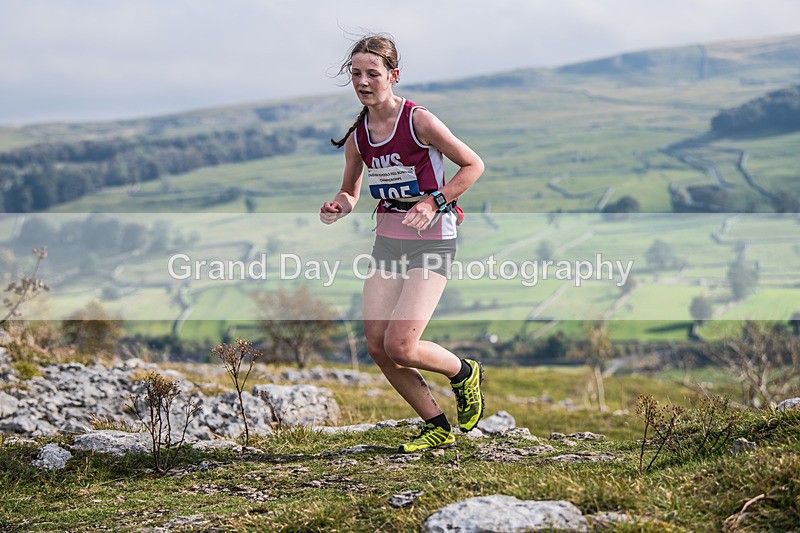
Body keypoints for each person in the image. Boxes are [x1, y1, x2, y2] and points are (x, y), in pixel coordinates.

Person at [320, 34, 485, 453]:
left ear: (393, 76)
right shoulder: (359, 136)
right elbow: (351, 190)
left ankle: (463, 372)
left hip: (432, 238)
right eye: (355, 74)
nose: (363, 81)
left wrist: (435, 201)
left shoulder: (419, 121)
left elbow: (473, 165)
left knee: (402, 344)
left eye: (372, 73)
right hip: (388, 242)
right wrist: (340, 204)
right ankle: (435, 424)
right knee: (377, 346)